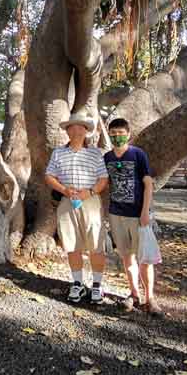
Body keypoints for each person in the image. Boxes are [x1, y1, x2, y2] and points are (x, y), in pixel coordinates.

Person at [44, 111, 109, 304]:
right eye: (72, 127)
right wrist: (64, 190)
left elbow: (103, 178)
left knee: (96, 245)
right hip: (67, 201)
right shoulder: (58, 152)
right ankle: (78, 284)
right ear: (67, 131)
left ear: (86, 130)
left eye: (80, 127)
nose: (76, 130)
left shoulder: (95, 153)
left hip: (90, 201)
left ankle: (97, 285)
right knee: (72, 244)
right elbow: (49, 176)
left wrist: (88, 192)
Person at [104, 118, 162, 316]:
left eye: (121, 133)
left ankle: (150, 298)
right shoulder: (107, 158)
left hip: (138, 215)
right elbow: (105, 184)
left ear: (128, 134)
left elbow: (148, 184)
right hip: (116, 215)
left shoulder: (138, 154)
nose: (117, 137)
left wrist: (145, 211)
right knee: (127, 256)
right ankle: (134, 293)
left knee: (144, 258)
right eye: (113, 133)